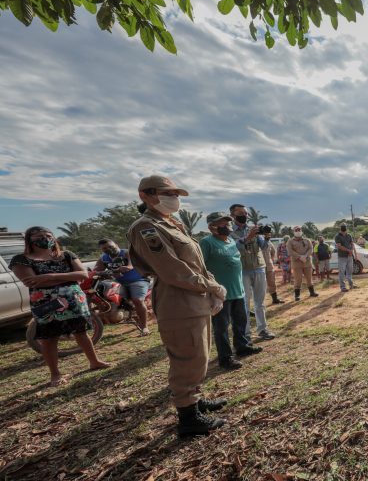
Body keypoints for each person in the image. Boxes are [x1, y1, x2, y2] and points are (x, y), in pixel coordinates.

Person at [128, 175, 228, 437]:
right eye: (167, 193)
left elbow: (197, 265)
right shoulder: (146, 227)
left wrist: (212, 287)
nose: (174, 198)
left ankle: (195, 399)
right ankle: (188, 418)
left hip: (195, 298)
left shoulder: (172, 224)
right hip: (178, 300)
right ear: (145, 196)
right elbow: (174, 270)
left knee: (199, 355)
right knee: (187, 357)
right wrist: (213, 288)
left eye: (175, 194)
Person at [10, 227, 110, 386]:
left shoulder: (67, 255)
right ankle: (55, 374)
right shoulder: (21, 259)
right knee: (49, 338)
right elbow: (32, 281)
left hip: (74, 301)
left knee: (81, 332)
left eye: (48, 235)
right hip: (46, 304)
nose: (45, 238)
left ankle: (94, 362)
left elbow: (83, 275)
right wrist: (69, 277)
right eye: (39, 236)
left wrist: (48, 276)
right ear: (29, 239)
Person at [200, 213, 263, 370]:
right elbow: (200, 268)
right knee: (221, 327)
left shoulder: (231, 241)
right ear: (212, 227)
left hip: (237, 290)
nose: (227, 226)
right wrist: (211, 291)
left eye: (228, 223)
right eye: (222, 223)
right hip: (220, 294)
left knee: (240, 321)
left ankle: (242, 347)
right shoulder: (206, 243)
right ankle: (225, 357)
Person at [229, 204, 275, 340]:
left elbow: (264, 247)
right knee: (244, 303)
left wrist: (267, 236)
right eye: (240, 213)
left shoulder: (253, 229)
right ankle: (246, 334)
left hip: (259, 268)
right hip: (242, 270)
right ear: (232, 215)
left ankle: (263, 329)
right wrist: (247, 238)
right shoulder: (229, 231)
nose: (244, 216)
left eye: (246, 213)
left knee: (260, 302)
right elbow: (232, 247)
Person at [95, 238, 151, 335]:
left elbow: (130, 265)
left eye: (110, 246)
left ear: (116, 245)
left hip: (138, 280)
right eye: (105, 248)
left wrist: (126, 267)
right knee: (107, 295)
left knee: (137, 300)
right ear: (102, 250)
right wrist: (95, 273)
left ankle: (144, 327)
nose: (108, 249)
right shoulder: (103, 258)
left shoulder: (126, 253)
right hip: (119, 282)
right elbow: (97, 269)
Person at [289, 226, 319, 301]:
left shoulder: (307, 240)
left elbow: (311, 249)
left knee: (309, 278)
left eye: (299, 230)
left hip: (307, 262)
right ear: (293, 232)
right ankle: (297, 295)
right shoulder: (290, 241)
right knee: (298, 279)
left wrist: (305, 256)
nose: (298, 231)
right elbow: (290, 251)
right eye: (296, 230)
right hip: (296, 263)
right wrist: (299, 257)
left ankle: (312, 292)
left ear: (301, 231)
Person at [261, 226, 284, 305]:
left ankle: (275, 299)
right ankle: (260, 303)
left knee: (272, 282)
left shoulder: (269, 242)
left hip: (269, 265)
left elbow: (273, 252)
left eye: (268, 233)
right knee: (260, 285)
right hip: (259, 266)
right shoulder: (257, 241)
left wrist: (270, 260)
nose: (268, 234)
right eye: (266, 233)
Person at [335, 224, 356, 292]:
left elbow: (352, 244)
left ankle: (351, 285)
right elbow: (339, 246)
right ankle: (343, 287)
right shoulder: (337, 236)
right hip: (342, 257)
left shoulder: (349, 235)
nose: (344, 228)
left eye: (345, 227)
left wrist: (351, 251)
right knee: (342, 272)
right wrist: (348, 251)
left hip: (349, 256)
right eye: (343, 227)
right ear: (341, 229)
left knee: (349, 271)